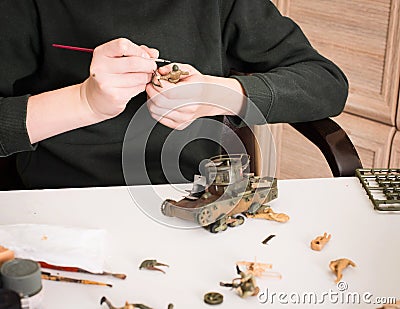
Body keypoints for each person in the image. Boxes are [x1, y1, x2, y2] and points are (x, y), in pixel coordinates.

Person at [0, 0, 348, 189]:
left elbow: (326, 83)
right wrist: (84, 102)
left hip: (195, 193)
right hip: (56, 196)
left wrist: (219, 94)